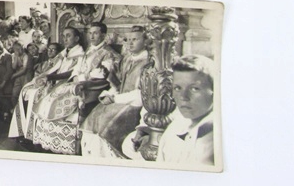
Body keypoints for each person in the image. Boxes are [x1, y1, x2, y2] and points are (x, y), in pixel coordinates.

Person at [82, 26, 149, 158]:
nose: (130, 43)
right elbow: (120, 85)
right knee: (92, 119)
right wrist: (109, 82)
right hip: (121, 100)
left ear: (146, 41)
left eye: (135, 39)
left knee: (103, 127)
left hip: (136, 105)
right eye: (128, 40)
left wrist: (114, 99)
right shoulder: (127, 59)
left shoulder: (148, 63)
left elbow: (142, 94)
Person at [154, 55, 215, 165]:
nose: (183, 97)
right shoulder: (174, 129)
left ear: (215, 91)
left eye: (194, 88)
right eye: (177, 88)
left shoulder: (218, 139)